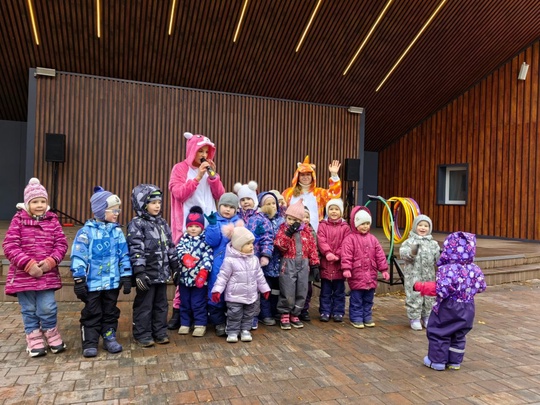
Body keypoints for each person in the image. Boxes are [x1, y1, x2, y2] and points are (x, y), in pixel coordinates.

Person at [3, 178, 68, 357]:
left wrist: (50, 262)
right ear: (27, 203)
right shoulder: (18, 221)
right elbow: (9, 246)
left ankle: (51, 333)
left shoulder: (53, 221)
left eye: (42, 201)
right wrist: (28, 264)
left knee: (47, 306)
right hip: (24, 276)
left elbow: (61, 244)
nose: (39, 205)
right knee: (29, 309)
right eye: (35, 202)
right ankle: (34, 338)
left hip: (47, 275)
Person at [168, 132, 225, 329]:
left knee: (207, 268)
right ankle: (178, 311)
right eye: (200, 150)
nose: (203, 155)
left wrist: (213, 178)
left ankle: (208, 311)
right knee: (185, 269)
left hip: (209, 227)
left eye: (206, 151)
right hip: (187, 227)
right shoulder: (180, 169)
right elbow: (178, 193)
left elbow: (221, 195)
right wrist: (198, 176)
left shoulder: (210, 171)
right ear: (191, 150)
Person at [70, 186, 132, 357]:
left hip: (112, 282)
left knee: (110, 310)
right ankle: (89, 341)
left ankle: (109, 337)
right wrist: (79, 279)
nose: (117, 213)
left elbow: (123, 255)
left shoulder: (117, 232)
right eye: (113, 210)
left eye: (118, 210)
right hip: (93, 283)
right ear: (100, 211)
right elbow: (79, 256)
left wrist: (126, 275)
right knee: (92, 312)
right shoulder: (86, 232)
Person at [415, 231, 486, 371]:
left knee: (439, 331)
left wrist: (421, 287)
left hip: (448, 307)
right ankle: (455, 362)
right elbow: (482, 286)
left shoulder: (446, 269)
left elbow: (442, 290)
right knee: (459, 334)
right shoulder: (475, 269)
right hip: (468, 307)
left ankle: (437, 361)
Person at [127, 184, 179, 347]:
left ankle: (160, 331)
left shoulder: (163, 223)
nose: (157, 205)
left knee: (161, 304)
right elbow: (136, 248)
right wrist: (139, 272)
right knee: (145, 305)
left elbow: (170, 246)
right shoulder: (137, 224)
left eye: (159, 202)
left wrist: (175, 267)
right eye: (152, 202)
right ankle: (142, 333)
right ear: (142, 204)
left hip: (161, 273)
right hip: (147, 275)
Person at [211, 224, 270, 343]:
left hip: (251, 295)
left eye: (252, 243)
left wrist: (265, 289)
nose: (251, 246)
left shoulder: (254, 260)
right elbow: (222, 277)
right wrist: (217, 290)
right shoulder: (230, 261)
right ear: (239, 246)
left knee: (249, 314)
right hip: (234, 296)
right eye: (248, 244)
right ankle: (232, 331)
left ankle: (245, 330)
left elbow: (259, 276)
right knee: (234, 315)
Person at [234, 181, 274, 330]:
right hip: (238, 262)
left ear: (254, 200)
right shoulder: (236, 217)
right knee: (238, 290)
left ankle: (252, 317)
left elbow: (268, 237)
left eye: (248, 199)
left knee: (254, 291)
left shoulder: (260, 218)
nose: (246, 202)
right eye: (243, 200)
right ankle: (237, 317)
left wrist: (265, 255)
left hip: (255, 261)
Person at [274, 199, 319, 330]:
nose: (292, 222)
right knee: (287, 289)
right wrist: (288, 234)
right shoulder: (283, 230)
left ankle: (296, 313)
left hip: (304, 264)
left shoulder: (307, 232)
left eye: (295, 220)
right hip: (288, 263)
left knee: (302, 289)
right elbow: (280, 245)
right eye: (289, 219)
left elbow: (312, 249)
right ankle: (285, 313)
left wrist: (315, 265)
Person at [341, 206, 389, 329]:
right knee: (356, 298)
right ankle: (356, 317)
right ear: (356, 224)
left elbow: (380, 255)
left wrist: (383, 269)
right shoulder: (350, 239)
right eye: (362, 224)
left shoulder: (373, 239)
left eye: (367, 223)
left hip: (371, 275)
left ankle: (367, 316)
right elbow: (346, 255)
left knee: (368, 299)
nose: (365, 226)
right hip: (357, 274)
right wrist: (346, 269)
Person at [174, 206, 213, 337]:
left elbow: (208, 256)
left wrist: (204, 271)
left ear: (201, 227)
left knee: (198, 303)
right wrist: (184, 256)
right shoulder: (183, 239)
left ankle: (200, 324)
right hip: (184, 278)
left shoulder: (205, 241)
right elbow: (179, 250)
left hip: (199, 280)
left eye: (196, 226)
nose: (193, 229)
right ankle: (185, 323)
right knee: (184, 302)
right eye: (190, 226)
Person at [204, 192, 240, 336]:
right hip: (218, 264)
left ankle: (232, 323)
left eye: (231, 207)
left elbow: (245, 242)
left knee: (233, 294)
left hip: (235, 266)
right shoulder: (215, 222)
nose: (227, 209)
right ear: (219, 206)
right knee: (216, 291)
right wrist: (213, 226)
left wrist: (254, 235)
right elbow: (212, 242)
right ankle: (218, 322)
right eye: (225, 205)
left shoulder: (239, 222)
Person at [399, 215, 440, 331]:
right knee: (414, 296)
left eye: (426, 226)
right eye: (420, 225)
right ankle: (414, 318)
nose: (423, 228)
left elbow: (438, 259)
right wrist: (411, 253)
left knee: (429, 296)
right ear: (415, 226)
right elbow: (403, 254)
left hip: (429, 276)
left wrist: (441, 258)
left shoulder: (433, 244)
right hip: (414, 276)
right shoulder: (409, 241)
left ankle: (427, 316)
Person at [282, 155, 341, 232]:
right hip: (292, 236)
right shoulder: (288, 193)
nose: (305, 177)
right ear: (297, 176)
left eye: (308, 174)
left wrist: (334, 175)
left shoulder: (319, 193)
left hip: (314, 235)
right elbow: (281, 212)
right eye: (302, 175)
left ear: (312, 176)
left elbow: (334, 196)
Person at [316, 198, 351, 323]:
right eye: (331, 209)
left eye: (336, 209)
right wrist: (328, 253)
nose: (334, 211)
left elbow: (346, 243)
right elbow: (321, 240)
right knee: (325, 291)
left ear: (341, 212)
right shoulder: (323, 225)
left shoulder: (345, 227)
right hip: (326, 264)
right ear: (327, 211)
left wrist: (338, 255)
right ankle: (325, 311)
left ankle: (338, 312)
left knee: (339, 292)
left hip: (339, 265)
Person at [256, 191, 285, 325]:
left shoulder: (282, 221)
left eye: (274, 203)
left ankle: (275, 311)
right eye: (268, 204)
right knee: (265, 289)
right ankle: (265, 314)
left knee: (276, 290)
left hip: (279, 261)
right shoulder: (260, 220)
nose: (272, 206)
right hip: (265, 262)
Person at [299, 206, 320, 322]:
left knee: (308, 289)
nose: (305, 219)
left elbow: (315, 250)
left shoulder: (312, 233)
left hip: (309, 266)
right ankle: (296, 309)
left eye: (307, 217)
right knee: (298, 289)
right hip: (297, 265)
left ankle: (304, 309)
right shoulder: (295, 232)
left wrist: (315, 265)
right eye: (303, 217)